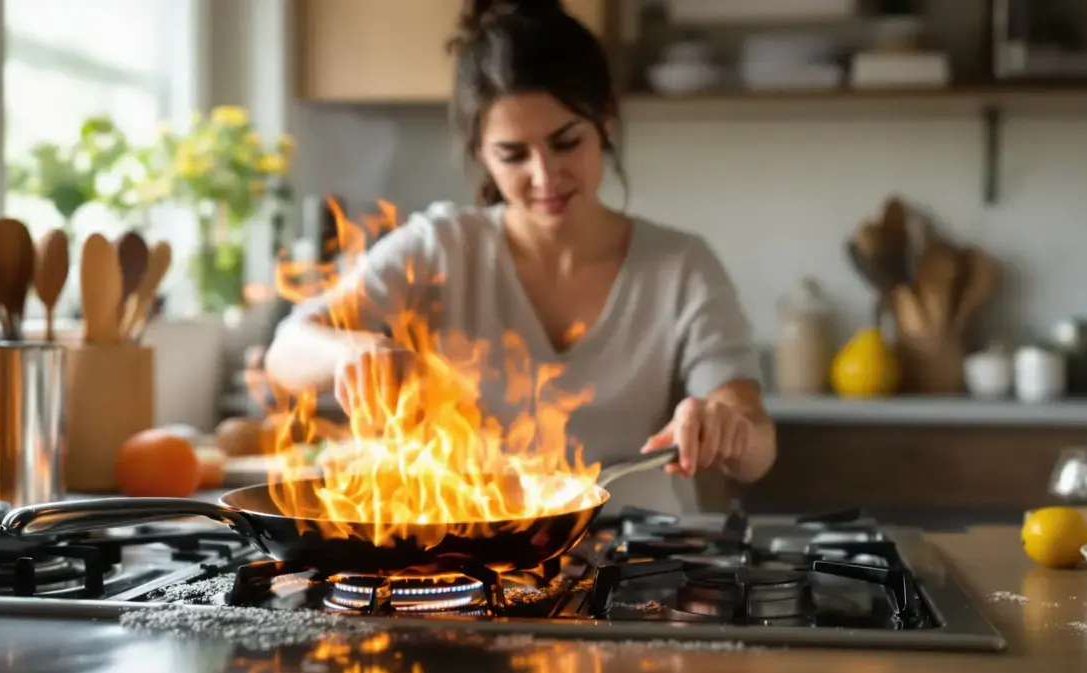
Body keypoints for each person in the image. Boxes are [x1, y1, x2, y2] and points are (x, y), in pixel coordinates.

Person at [264, 0, 775, 515]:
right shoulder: (441, 246)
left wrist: (724, 424)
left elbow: (756, 448)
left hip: (641, 562)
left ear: (605, 122)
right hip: (481, 558)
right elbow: (285, 350)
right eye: (513, 155)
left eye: (566, 142)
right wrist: (351, 352)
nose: (545, 175)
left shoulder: (680, 266)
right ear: (481, 153)